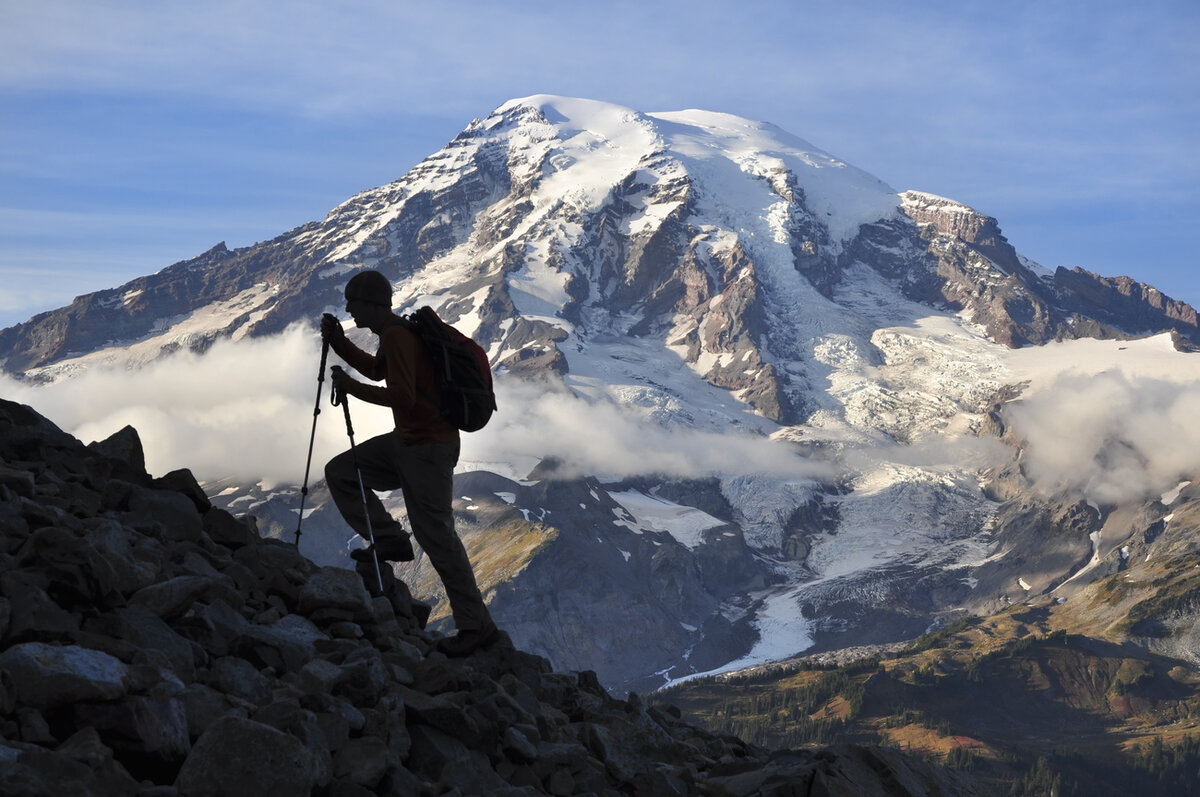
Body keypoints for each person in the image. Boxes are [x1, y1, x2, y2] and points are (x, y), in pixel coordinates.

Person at [321, 269, 500, 657]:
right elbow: (376, 370)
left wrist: (351, 388)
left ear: (370, 303)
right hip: (412, 443)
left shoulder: (398, 336)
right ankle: (390, 540)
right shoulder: (395, 333)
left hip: (427, 449)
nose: (349, 309)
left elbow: (404, 398)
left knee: (437, 537)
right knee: (341, 471)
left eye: (353, 301)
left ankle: (476, 626)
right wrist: (339, 343)